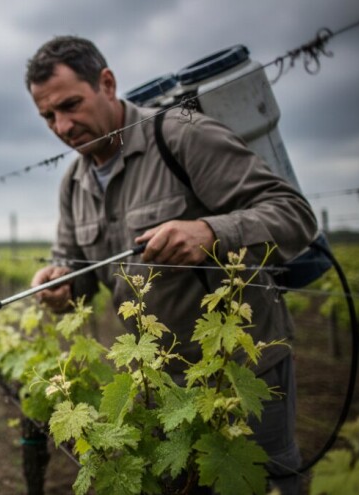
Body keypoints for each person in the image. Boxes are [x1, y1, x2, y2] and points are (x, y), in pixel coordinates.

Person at [26, 36, 316, 494]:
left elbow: (294, 215)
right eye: (48, 117)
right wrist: (57, 283)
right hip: (158, 390)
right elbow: (72, 266)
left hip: (238, 376)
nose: (62, 126)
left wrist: (210, 232)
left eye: (70, 105)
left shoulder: (181, 136)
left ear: (106, 83)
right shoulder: (74, 183)